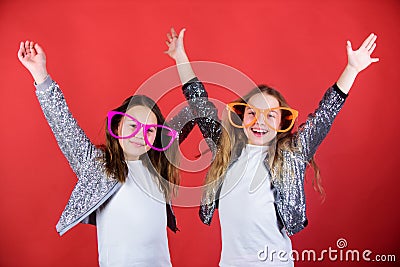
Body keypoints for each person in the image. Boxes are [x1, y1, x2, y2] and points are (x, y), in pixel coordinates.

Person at [166, 29, 379, 266]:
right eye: (252, 114)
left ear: (282, 123)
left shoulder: (290, 155)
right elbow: (200, 103)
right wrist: (180, 57)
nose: (260, 122)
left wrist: (351, 69)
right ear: (241, 117)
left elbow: (324, 116)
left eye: (270, 116)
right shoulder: (225, 150)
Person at [18, 39, 197, 266]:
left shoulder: (157, 164)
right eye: (133, 125)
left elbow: (199, 108)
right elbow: (63, 124)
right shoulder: (99, 166)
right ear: (118, 126)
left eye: (150, 130)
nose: (141, 134)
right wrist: (40, 74)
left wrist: (181, 58)